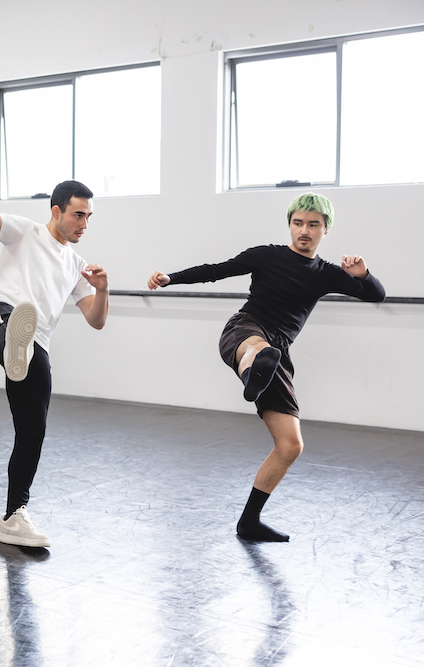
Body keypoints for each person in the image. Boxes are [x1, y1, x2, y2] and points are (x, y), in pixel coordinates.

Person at [148, 193, 385, 542]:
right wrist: (170, 278)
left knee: (291, 445)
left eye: (313, 225)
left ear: (326, 229)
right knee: (258, 349)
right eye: (298, 223)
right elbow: (217, 270)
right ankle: (253, 369)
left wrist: (363, 274)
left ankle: (249, 522)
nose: (304, 231)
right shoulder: (267, 255)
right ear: (290, 224)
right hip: (246, 329)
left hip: (279, 351)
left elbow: (376, 295)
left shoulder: (327, 274)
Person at [0, 168, 109, 549]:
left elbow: (96, 320)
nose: (84, 224)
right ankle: (13, 345)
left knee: (33, 431)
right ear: (56, 210)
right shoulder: (25, 231)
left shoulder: (77, 265)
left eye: (89, 216)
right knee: (8, 324)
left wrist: (103, 289)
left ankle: (14, 517)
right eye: (79, 215)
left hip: (38, 342)